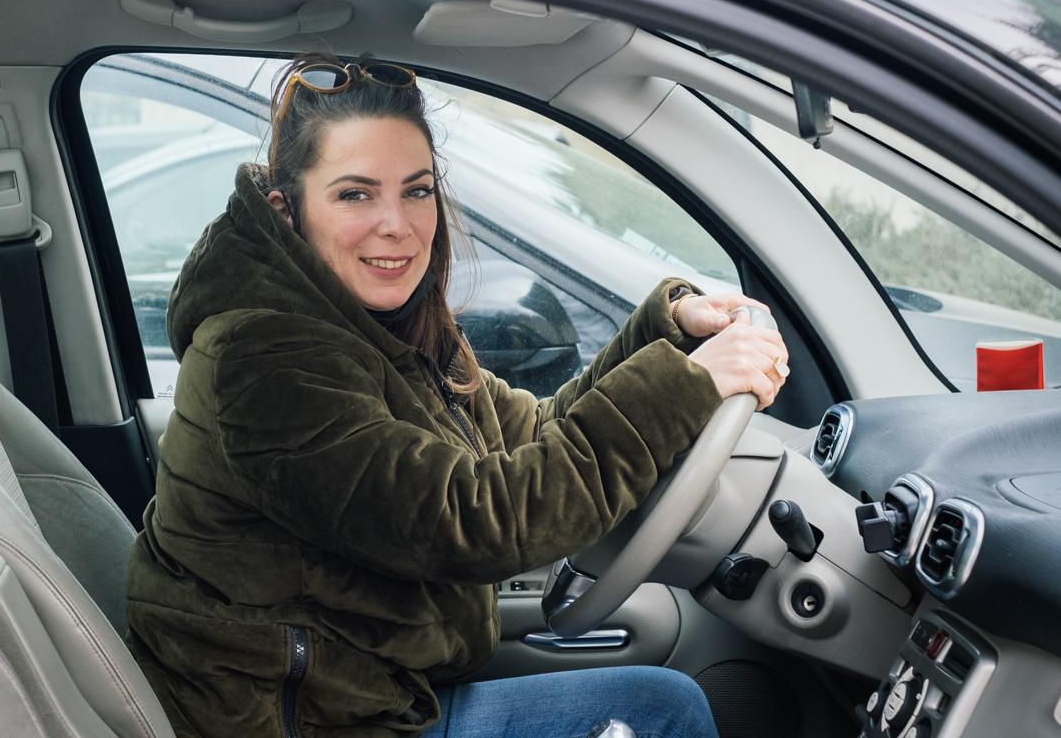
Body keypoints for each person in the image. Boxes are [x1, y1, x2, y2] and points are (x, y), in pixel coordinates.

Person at [125, 54, 790, 738]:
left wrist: (669, 332)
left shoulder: (376, 326)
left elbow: (532, 433)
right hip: (307, 723)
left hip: (368, 694)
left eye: (416, 191)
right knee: (664, 712)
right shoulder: (262, 365)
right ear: (287, 212)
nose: (398, 225)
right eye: (355, 194)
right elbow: (476, 520)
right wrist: (691, 386)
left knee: (663, 702)